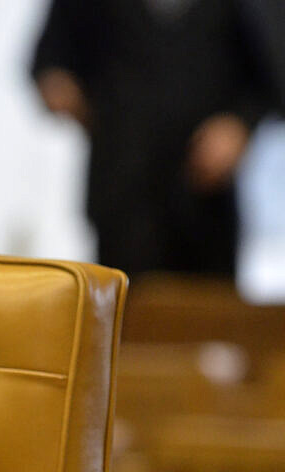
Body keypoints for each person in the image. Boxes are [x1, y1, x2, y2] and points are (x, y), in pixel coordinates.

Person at [30, 0, 281, 277]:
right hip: (122, 187)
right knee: (123, 292)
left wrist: (239, 124)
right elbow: (52, 60)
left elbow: (267, 76)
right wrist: (61, 86)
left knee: (207, 297)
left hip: (207, 198)